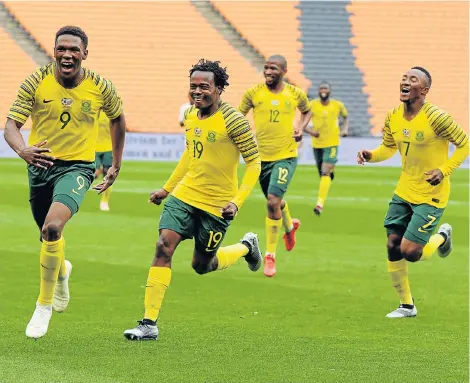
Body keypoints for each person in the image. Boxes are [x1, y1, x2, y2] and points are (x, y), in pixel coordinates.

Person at [123, 59, 262, 341]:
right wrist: (167, 188)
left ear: (219, 89)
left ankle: (246, 247)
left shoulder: (234, 120)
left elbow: (255, 164)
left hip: (217, 205)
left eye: (204, 87)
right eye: (193, 87)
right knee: (163, 246)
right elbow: (190, 154)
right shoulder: (189, 114)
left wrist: (237, 201)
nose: (197, 92)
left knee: (202, 265)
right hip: (185, 195)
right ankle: (148, 323)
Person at [4, 25, 126, 338]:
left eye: (74, 49)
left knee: (52, 227)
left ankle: (43, 306)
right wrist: (23, 150)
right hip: (40, 168)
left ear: (85, 53)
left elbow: (117, 120)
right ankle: (61, 272)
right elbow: (11, 126)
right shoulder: (36, 81)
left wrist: (115, 162)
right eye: (62, 48)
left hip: (77, 168)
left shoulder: (100, 86)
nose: (67, 54)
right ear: (54, 50)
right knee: (49, 238)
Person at [357, 66, 468, 318]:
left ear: (424, 90)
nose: (405, 82)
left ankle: (441, 236)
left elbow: (464, 144)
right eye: (404, 78)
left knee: (410, 252)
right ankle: (406, 305)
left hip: (432, 195)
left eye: (412, 79)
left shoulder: (437, 118)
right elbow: (388, 148)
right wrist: (371, 155)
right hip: (404, 190)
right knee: (392, 244)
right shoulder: (393, 116)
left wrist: (444, 169)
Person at [239, 54, 312, 277]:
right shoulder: (253, 93)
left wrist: (300, 127)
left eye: (273, 68)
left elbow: (307, 110)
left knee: (272, 200)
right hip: (261, 158)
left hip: (286, 155)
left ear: (284, 71)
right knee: (275, 203)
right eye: (266, 68)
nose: (268, 72)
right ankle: (290, 228)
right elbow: (238, 116)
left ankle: (270, 255)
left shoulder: (295, 93)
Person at [304, 82, 348, 215]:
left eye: (326, 89)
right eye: (321, 89)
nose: (323, 91)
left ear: (330, 91)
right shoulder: (312, 105)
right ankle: (329, 174)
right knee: (322, 173)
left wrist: (345, 128)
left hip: (332, 143)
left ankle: (319, 204)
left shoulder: (337, 105)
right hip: (317, 144)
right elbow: (303, 123)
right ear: (318, 91)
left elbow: (345, 117)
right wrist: (311, 132)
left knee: (325, 172)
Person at [94, 110, 113, 211]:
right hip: (94, 148)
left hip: (109, 148)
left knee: (108, 176)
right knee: (95, 172)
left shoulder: (111, 112)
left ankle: (104, 201)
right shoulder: (93, 109)